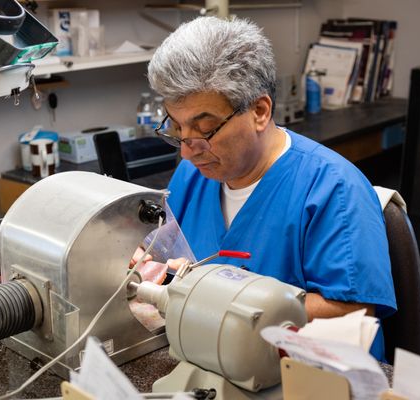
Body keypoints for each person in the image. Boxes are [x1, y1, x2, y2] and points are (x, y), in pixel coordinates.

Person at [146, 16, 396, 361]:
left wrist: (222, 301)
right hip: (209, 357)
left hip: (304, 373)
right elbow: (164, 261)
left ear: (260, 111)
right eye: (176, 129)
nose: (188, 152)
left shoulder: (333, 189)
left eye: (204, 130)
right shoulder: (192, 176)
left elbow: (352, 312)